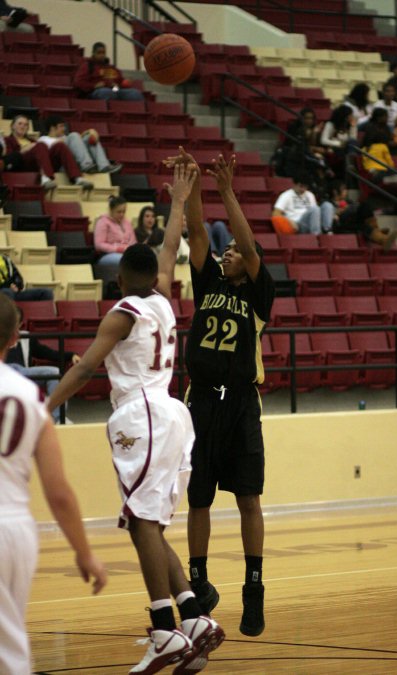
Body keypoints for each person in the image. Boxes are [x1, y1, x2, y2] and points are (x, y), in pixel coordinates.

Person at [48, 164, 225, 675]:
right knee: (147, 525)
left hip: (141, 415)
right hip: (172, 413)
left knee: (141, 523)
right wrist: (179, 200)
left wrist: (43, 406)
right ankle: (192, 619)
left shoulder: (122, 308)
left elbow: (84, 367)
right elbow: (169, 248)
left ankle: (163, 628)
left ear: (122, 276)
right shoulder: (164, 299)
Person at [164, 148, 275, 637]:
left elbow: (250, 251)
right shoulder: (208, 279)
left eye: (234, 251)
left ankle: (254, 589)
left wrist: (227, 190)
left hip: (241, 402)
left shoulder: (257, 291)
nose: (228, 251)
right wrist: (190, 188)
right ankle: (200, 582)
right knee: (199, 499)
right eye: (225, 249)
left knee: (249, 498)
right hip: (202, 400)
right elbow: (196, 233)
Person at [0, 292, 107, 675]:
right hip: (15, 531)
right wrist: (84, 552)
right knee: (9, 649)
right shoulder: (31, 397)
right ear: (15, 339)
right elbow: (58, 492)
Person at [6, 306, 80, 424]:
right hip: (3, 371)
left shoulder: (26, 337)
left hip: (23, 373)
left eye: (14, 322)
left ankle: (58, 418)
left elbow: (47, 353)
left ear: (20, 324)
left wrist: (70, 355)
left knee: (54, 372)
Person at [4, 115, 93, 191]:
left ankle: (77, 178)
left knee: (60, 145)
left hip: (39, 163)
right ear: (13, 126)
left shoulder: (32, 140)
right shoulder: (7, 140)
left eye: (26, 124)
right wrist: (22, 151)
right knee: (41, 145)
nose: (23, 126)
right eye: (20, 124)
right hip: (23, 165)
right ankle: (46, 178)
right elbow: (7, 160)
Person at [39, 115, 122, 175]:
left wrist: (89, 131)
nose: (64, 129)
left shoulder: (67, 137)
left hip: (76, 163)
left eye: (64, 126)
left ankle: (104, 166)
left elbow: (77, 142)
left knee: (90, 137)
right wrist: (66, 140)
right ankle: (87, 165)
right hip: (61, 166)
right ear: (52, 128)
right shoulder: (43, 139)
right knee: (74, 135)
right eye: (61, 126)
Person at [74, 42, 144, 101]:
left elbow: (120, 80)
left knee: (135, 94)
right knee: (107, 93)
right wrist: (94, 86)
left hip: (114, 89)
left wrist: (123, 83)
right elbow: (78, 82)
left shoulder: (111, 67)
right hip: (96, 91)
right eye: (99, 53)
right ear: (93, 53)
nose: (102, 55)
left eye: (103, 52)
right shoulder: (88, 66)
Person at [94, 195, 137, 267]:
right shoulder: (103, 222)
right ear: (111, 210)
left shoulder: (127, 222)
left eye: (124, 212)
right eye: (119, 212)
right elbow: (99, 245)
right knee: (126, 260)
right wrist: (118, 249)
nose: (122, 214)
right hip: (107, 254)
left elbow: (133, 241)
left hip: (126, 253)